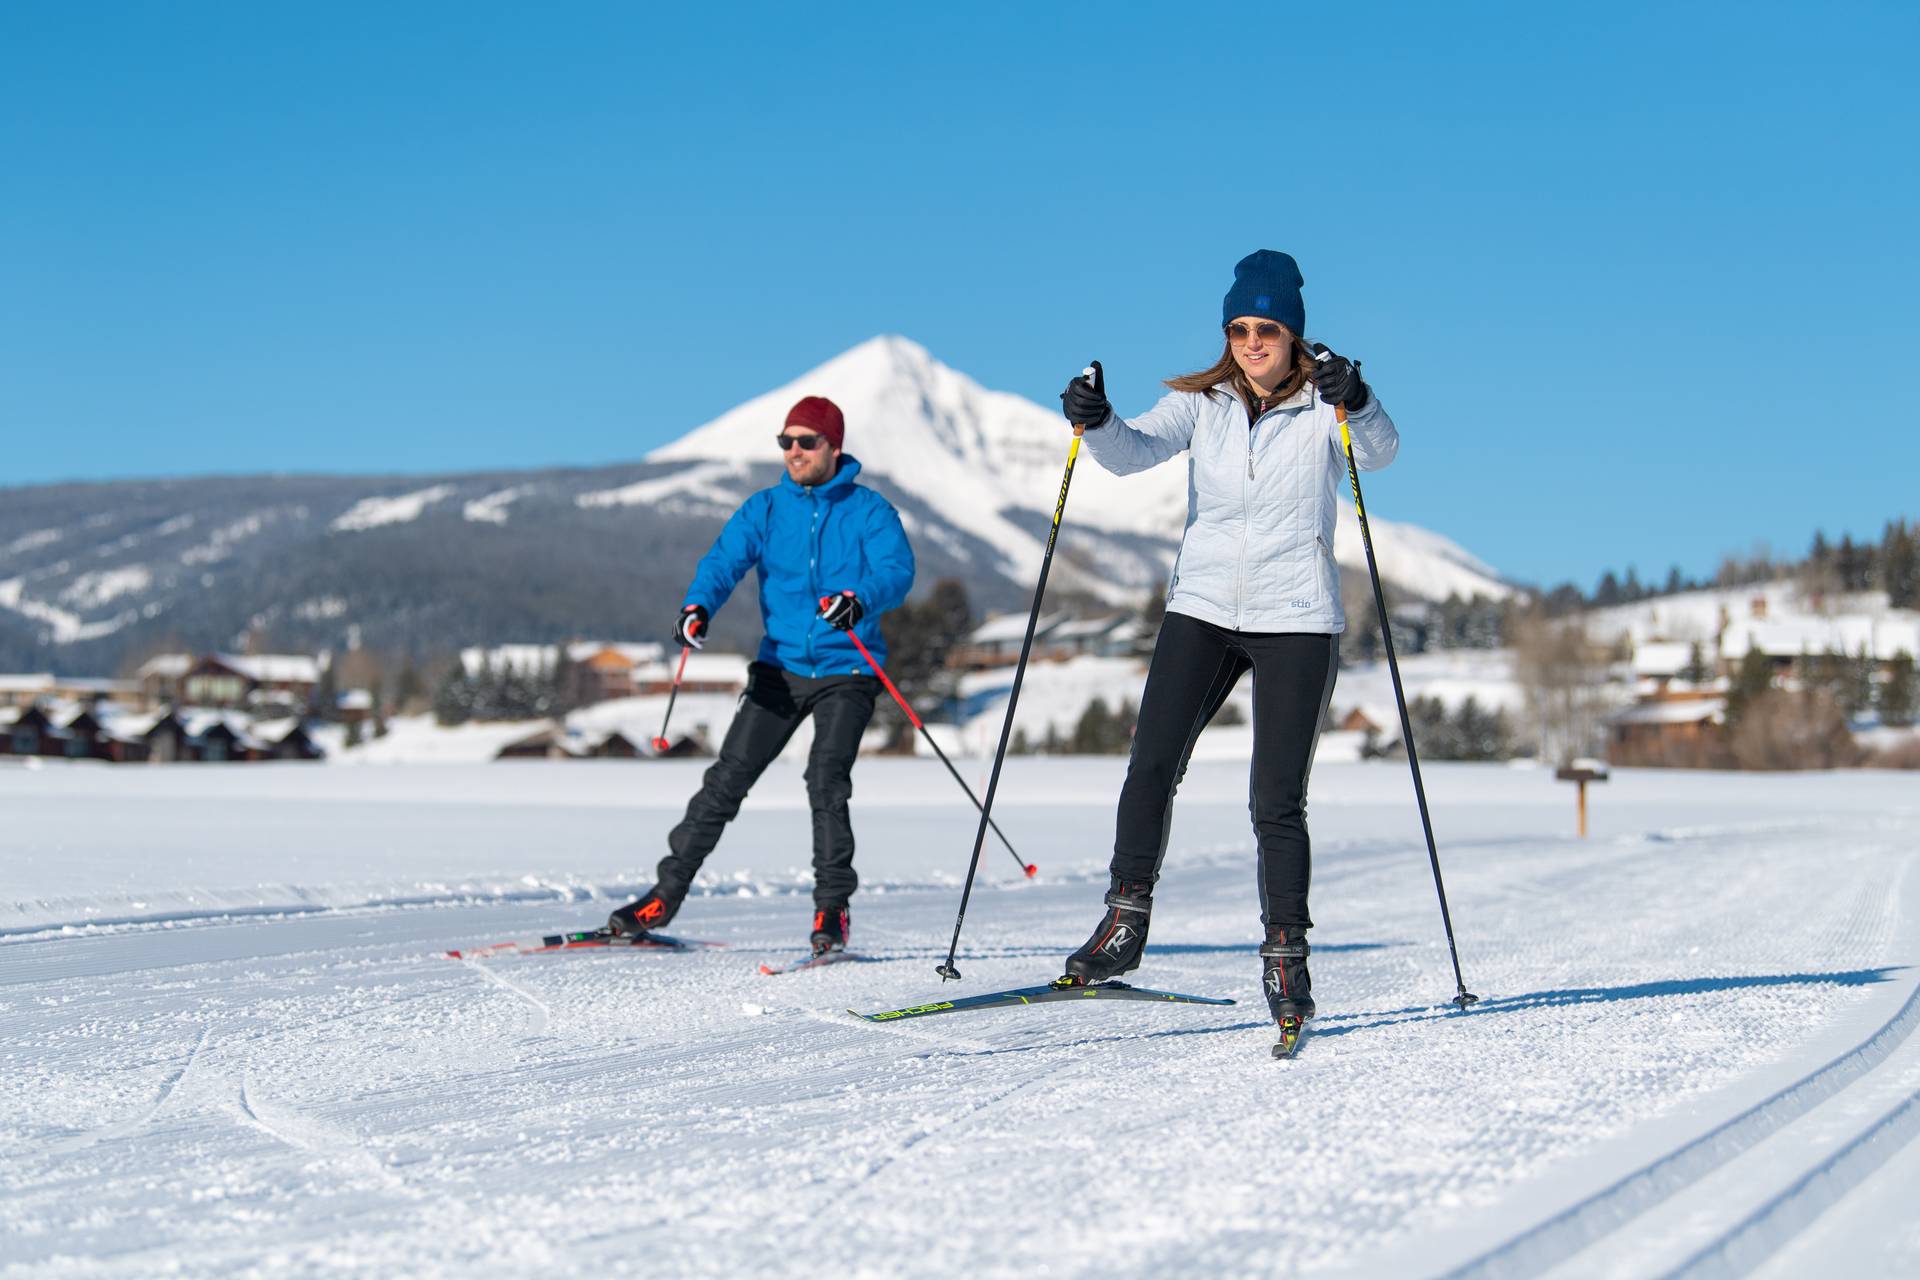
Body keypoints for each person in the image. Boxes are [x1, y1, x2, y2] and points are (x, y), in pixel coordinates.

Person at [1053, 249, 1398, 1030]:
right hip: (1203, 608)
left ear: (1293, 334)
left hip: (1296, 619)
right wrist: (1095, 419)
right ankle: (1123, 923)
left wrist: (1363, 400)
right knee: (1151, 764)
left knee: (1275, 801)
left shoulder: (1326, 406)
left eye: (1266, 329)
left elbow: (1380, 453)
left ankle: (1286, 957)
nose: (1251, 341)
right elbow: (1131, 453)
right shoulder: (1202, 405)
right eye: (1238, 328)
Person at [607, 395, 915, 955]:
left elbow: (897, 570)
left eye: (806, 441)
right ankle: (661, 898)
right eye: (786, 441)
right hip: (779, 666)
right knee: (726, 781)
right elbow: (724, 562)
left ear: (834, 447)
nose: (794, 451)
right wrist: (698, 606)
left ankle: (831, 912)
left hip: (848, 668)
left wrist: (859, 599)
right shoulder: (766, 509)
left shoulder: (870, 511)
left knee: (825, 781)